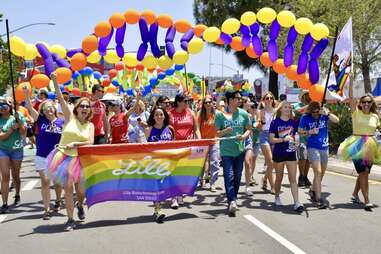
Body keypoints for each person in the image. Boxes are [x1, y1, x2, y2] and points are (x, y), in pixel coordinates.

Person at [46, 73, 94, 231]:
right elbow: (60, 98)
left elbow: (90, 142)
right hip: (64, 157)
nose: (85, 108)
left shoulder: (90, 125)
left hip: (81, 159)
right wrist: (54, 80)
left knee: (81, 191)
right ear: (77, 108)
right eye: (82, 106)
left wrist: (75, 143)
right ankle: (70, 219)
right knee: (68, 188)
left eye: (87, 106)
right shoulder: (69, 118)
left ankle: (80, 204)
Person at [24, 91, 63, 219]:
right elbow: (29, 108)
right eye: (45, 108)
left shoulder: (61, 122)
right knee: (45, 181)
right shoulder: (40, 120)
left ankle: (57, 200)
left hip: (57, 156)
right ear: (43, 111)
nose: (48, 110)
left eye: (50, 107)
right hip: (41, 155)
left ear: (54, 108)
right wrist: (26, 95)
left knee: (57, 183)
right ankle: (46, 209)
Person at [338, 91, 380, 211]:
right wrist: (351, 80)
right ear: (360, 104)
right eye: (364, 102)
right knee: (363, 171)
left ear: (372, 103)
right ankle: (367, 200)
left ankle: (355, 194)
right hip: (356, 144)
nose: (366, 104)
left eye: (368, 102)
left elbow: (376, 130)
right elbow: (351, 98)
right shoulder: (356, 113)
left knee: (364, 172)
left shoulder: (375, 116)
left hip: (371, 145)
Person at [215, 91, 251, 217]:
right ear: (230, 100)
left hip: (240, 150)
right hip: (226, 151)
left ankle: (233, 198)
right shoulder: (220, 115)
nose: (240, 100)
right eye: (237, 98)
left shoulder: (244, 114)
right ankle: (232, 201)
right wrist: (226, 130)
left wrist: (244, 137)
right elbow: (217, 134)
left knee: (237, 176)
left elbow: (248, 130)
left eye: (240, 98)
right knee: (228, 175)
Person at [298, 101, 339, 208]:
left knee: (321, 173)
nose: (315, 114)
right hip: (312, 147)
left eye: (317, 112)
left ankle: (312, 189)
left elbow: (337, 120)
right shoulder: (305, 117)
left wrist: (327, 114)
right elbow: (300, 131)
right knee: (318, 171)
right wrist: (309, 132)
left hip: (324, 147)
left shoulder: (324, 115)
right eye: (313, 112)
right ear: (310, 110)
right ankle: (318, 198)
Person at [269, 101, 304, 212]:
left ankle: (297, 202)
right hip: (279, 154)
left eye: (289, 107)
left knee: (293, 179)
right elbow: (271, 140)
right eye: (285, 107)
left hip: (291, 154)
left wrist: (306, 134)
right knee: (279, 178)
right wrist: (284, 139)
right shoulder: (275, 122)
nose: (288, 109)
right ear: (280, 109)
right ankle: (277, 197)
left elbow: (300, 134)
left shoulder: (294, 122)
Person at [169, 94, 201, 209]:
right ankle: (174, 197)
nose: (187, 103)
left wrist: (200, 142)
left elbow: (196, 129)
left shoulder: (191, 113)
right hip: (173, 147)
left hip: (188, 147)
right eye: (185, 100)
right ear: (178, 102)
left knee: (183, 172)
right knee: (174, 172)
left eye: (188, 100)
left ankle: (180, 193)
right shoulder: (170, 114)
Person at [145, 106, 175, 222]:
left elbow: (174, 146)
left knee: (164, 187)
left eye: (161, 114)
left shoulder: (170, 129)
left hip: (167, 163)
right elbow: (142, 146)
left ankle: (158, 208)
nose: (159, 117)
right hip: (153, 164)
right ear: (153, 116)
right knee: (156, 187)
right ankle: (158, 210)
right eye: (156, 114)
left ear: (164, 116)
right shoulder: (149, 129)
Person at [0, 97, 26, 213]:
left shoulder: (17, 116)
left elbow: (23, 132)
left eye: (4, 106)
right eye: (0, 107)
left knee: (16, 175)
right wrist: (11, 129)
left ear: (9, 107)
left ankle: (17, 194)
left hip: (17, 149)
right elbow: (2, 137)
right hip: (3, 149)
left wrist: (19, 123)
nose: (2, 108)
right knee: (5, 175)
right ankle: (4, 203)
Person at [197, 95, 219, 192]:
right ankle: (202, 181)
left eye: (209, 102)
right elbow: (197, 128)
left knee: (215, 162)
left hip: (214, 141)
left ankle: (212, 183)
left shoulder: (217, 114)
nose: (208, 104)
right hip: (203, 142)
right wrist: (199, 139)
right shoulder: (200, 114)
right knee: (202, 163)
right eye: (206, 102)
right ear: (203, 104)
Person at [258, 92, 276, 193]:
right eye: (267, 98)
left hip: (274, 135)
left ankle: (264, 178)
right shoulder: (261, 111)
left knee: (272, 163)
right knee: (270, 161)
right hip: (264, 135)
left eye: (270, 98)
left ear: (273, 100)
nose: (269, 99)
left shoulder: (276, 111)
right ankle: (273, 186)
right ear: (263, 100)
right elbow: (259, 128)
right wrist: (262, 121)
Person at [293, 91, 312, 187]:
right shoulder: (297, 105)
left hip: (312, 136)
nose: (310, 96)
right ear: (304, 96)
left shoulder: (313, 106)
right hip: (300, 136)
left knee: (309, 159)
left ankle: (305, 176)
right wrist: (310, 106)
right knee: (302, 158)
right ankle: (301, 176)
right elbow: (297, 112)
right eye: (308, 94)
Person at [241, 97, 256, 196]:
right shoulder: (236, 114)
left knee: (247, 162)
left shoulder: (250, 115)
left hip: (248, 141)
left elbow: (251, 129)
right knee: (236, 167)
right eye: (247, 101)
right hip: (237, 141)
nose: (250, 103)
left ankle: (247, 186)